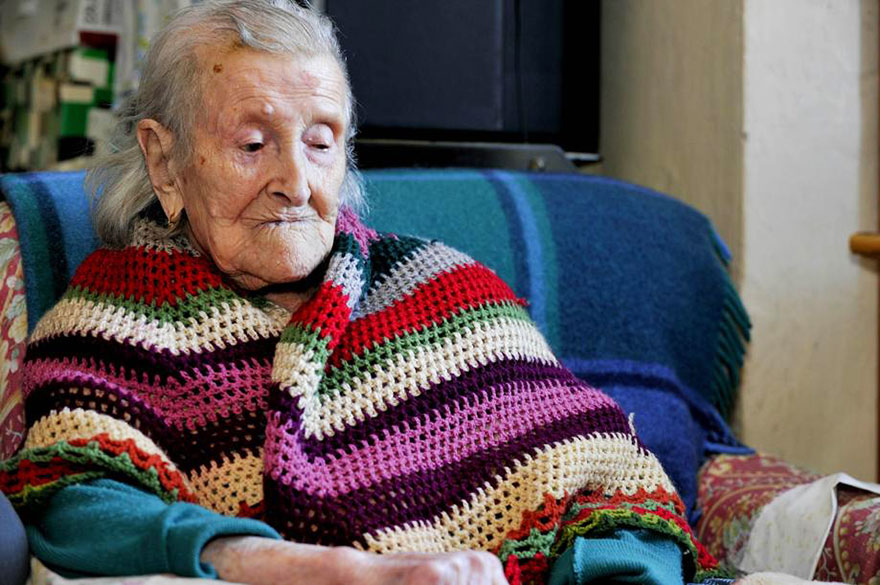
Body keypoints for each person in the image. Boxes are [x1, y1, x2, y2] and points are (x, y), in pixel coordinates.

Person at [0, 2, 721, 584]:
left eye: (321, 142)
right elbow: (73, 499)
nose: (295, 182)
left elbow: (610, 490)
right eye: (252, 144)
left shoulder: (448, 289)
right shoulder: (107, 325)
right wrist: (294, 566)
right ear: (165, 161)